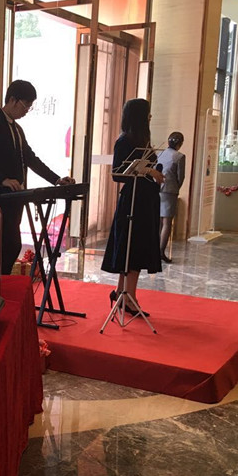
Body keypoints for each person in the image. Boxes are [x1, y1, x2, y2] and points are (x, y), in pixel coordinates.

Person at [0, 79, 75, 275]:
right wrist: (3, 180)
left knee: (12, 245)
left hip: (15, 198)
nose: (27, 111)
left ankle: (2, 282)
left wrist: (56, 179)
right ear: (13, 100)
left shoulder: (17, 129)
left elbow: (31, 159)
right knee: (3, 245)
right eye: (26, 105)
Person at [101, 98, 164, 315]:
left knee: (135, 249)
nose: (150, 117)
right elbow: (117, 174)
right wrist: (147, 170)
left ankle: (121, 292)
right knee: (133, 250)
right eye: (147, 113)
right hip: (133, 203)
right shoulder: (124, 141)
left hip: (145, 200)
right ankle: (129, 298)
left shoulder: (142, 140)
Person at [158, 131, 186, 263]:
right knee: (167, 222)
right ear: (180, 143)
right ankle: (161, 251)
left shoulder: (160, 154)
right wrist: (176, 187)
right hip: (170, 191)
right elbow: (181, 177)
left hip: (157, 189)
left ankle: (153, 250)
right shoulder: (180, 156)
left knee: (158, 221)